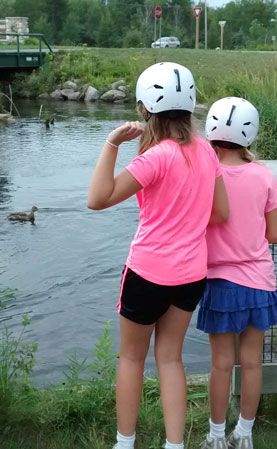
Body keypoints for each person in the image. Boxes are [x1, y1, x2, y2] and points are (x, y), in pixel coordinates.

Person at [87, 62, 229, 449]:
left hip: (148, 273)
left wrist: (112, 143)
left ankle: (124, 443)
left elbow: (97, 199)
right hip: (191, 275)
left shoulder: (156, 157)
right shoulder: (206, 152)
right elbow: (220, 214)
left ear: (145, 110)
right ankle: (174, 445)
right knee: (171, 359)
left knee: (132, 359)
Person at [197, 97, 277, 449]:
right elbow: (274, 234)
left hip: (219, 284)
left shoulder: (204, 175)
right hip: (260, 283)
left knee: (221, 365)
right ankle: (244, 433)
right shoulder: (264, 175)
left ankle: (216, 436)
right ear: (251, 134)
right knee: (252, 363)